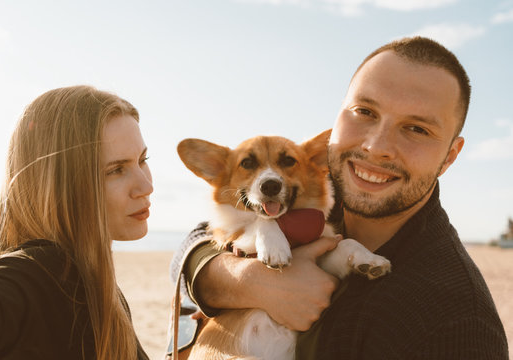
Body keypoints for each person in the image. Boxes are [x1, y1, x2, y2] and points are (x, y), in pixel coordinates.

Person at [171, 37, 509, 359]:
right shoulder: (313, 187)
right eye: (365, 111)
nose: (376, 147)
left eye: (417, 129)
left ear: (450, 156)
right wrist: (247, 282)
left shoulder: (461, 324)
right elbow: (195, 244)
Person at [0, 86, 153, 359]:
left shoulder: (94, 283)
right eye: (116, 170)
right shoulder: (36, 273)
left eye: (143, 160)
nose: (146, 185)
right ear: (61, 185)